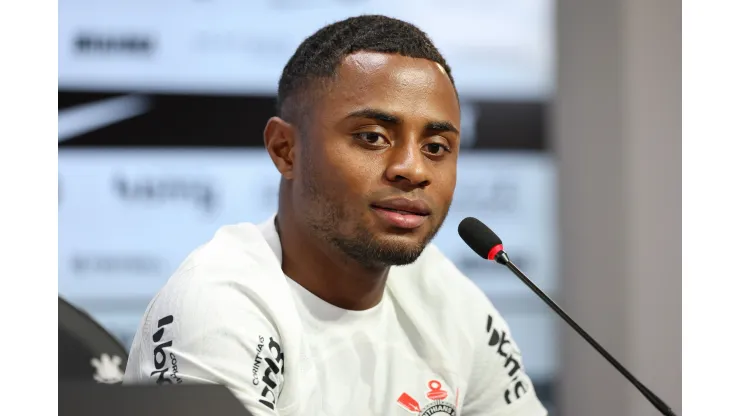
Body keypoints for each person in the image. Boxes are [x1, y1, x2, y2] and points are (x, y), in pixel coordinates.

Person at [123, 15, 547, 416]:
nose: (413, 169)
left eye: (436, 147)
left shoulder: (447, 298)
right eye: (372, 137)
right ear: (285, 150)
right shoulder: (216, 306)